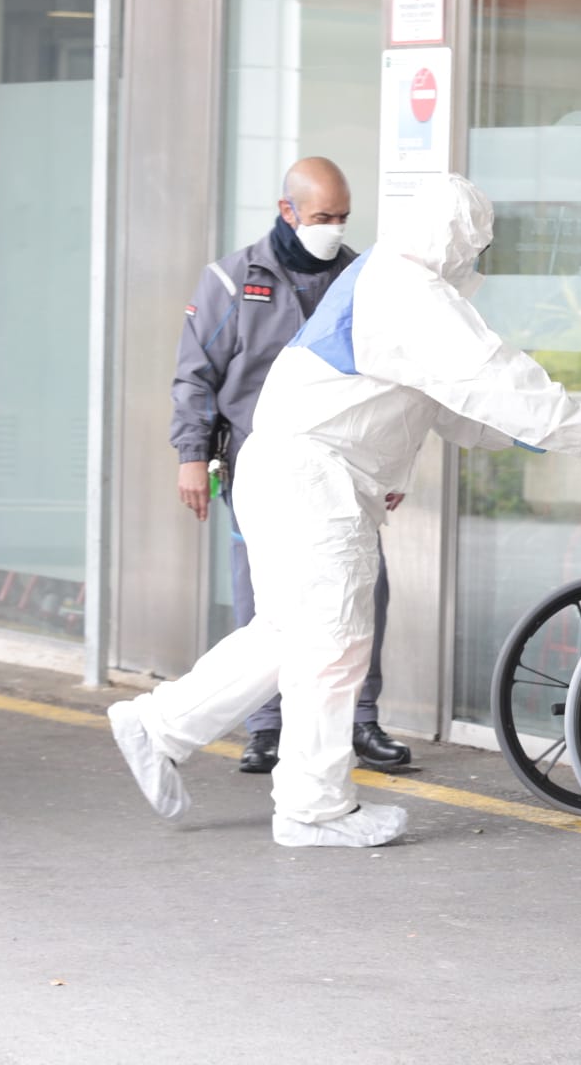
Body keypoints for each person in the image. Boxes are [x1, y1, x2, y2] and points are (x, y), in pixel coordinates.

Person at [111, 174, 581, 848]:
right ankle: (314, 806)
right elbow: (485, 374)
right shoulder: (408, 290)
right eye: (474, 244)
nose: (475, 257)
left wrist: (533, 429)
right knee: (334, 645)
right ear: (456, 238)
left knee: (286, 636)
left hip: (288, 473)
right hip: (315, 482)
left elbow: (447, 399)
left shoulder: (383, 279)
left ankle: (158, 727)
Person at [171, 157, 409, 776]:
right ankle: (267, 729)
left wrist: (391, 467)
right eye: (323, 217)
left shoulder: (362, 280)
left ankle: (360, 721)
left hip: (344, 471)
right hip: (262, 470)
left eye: (343, 217)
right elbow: (196, 374)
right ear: (288, 211)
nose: (333, 228)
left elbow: (390, 380)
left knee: (363, 589)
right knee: (266, 598)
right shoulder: (231, 282)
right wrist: (192, 457)